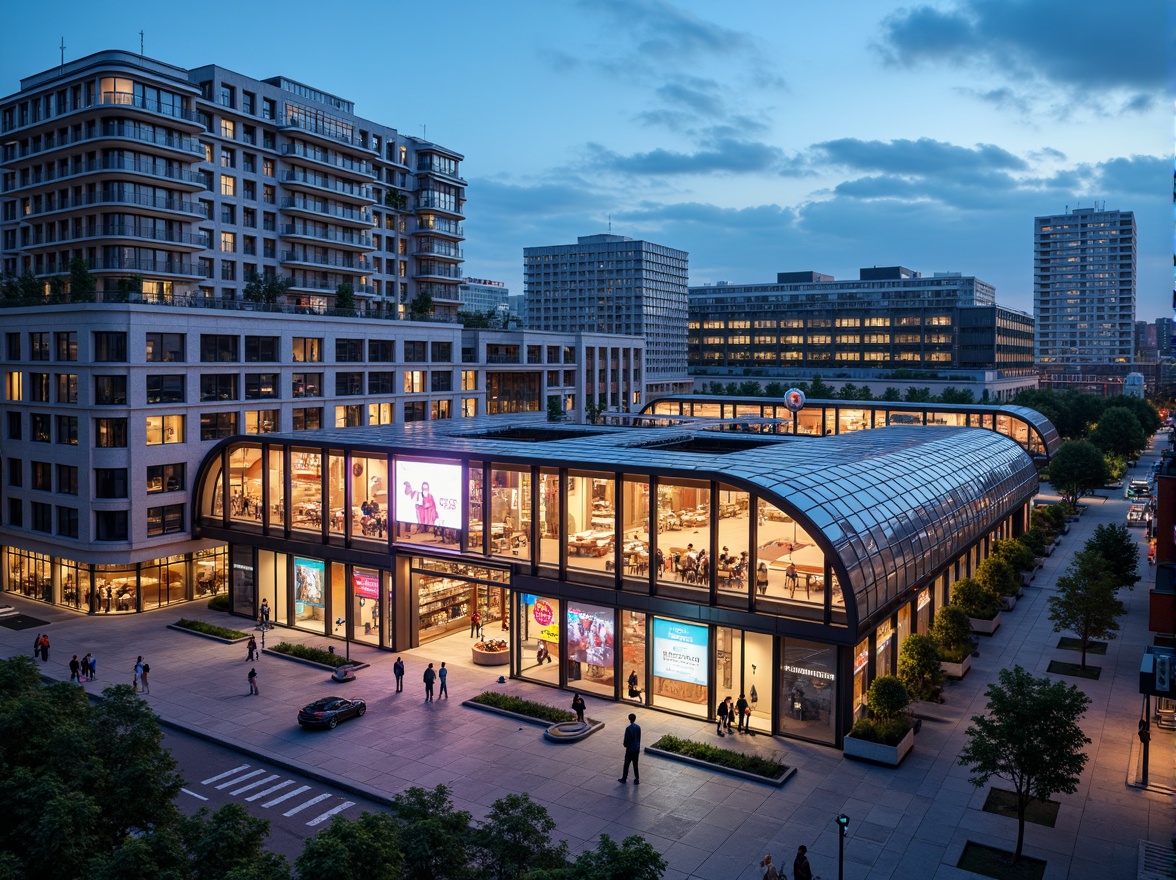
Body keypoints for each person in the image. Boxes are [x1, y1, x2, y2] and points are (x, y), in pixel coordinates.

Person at [618, 713, 641, 784]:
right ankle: (637, 779)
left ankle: (624, 778)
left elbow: (626, 739)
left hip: (630, 749)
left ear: (629, 719)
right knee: (635, 764)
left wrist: (625, 745)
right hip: (636, 748)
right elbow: (639, 738)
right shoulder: (638, 727)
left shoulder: (628, 729)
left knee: (626, 764)